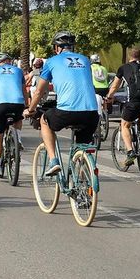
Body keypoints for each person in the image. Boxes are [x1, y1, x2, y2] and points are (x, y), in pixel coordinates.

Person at [28, 33, 100, 178]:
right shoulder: (85, 60)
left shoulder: (51, 62)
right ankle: (82, 186)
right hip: (92, 113)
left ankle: (53, 160)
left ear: (57, 48)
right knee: (82, 148)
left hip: (67, 111)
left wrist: (30, 109)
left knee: (44, 120)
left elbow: (39, 91)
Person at [107, 46, 140, 166]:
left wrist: (109, 96)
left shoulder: (124, 68)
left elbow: (115, 86)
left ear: (129, 56)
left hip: (134, 101)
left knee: (124, 125)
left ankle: (130, 152)